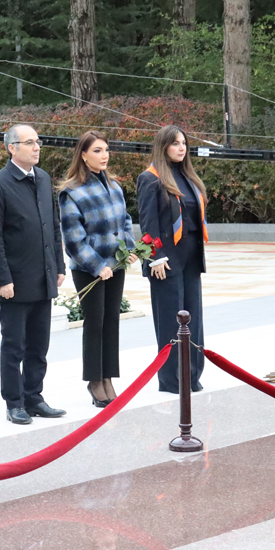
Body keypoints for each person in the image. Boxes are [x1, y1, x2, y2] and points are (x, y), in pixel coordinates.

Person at [0, 124, 66, 425]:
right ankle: (14, 402)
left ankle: (34, 397)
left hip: (43, 276)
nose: (36, 147)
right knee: (14, 345)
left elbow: (53, 225)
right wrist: (2, 279)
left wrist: (59, 265)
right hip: (15, 281)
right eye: (29, 142)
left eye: (37, 141)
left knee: (39, 345)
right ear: (12, 148)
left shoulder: (42, 178)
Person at [58, 130, 137, 408]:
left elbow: (125, 220)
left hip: (116, 265)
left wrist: (129, 249)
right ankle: (94, 380)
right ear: (83, 155)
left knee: (111, 321)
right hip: (89, 269)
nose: (104, 156)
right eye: (97, 151)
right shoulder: (72, 192)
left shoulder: (114, 186)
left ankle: (108, 377)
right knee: (95, 322)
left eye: (106, 150)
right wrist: (97, 265)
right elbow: (73, 239)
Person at [137, 126, 209, 394]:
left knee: (193, 318)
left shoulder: (188, 177)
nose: (182, 148)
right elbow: (147, 222)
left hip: (190, 255)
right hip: (166, 257)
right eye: (175, 143)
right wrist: (155, 256)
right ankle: (171, 379)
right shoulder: (151, 178)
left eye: (184, 143)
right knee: (171, 319)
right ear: (163, 146)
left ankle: (192, 375)